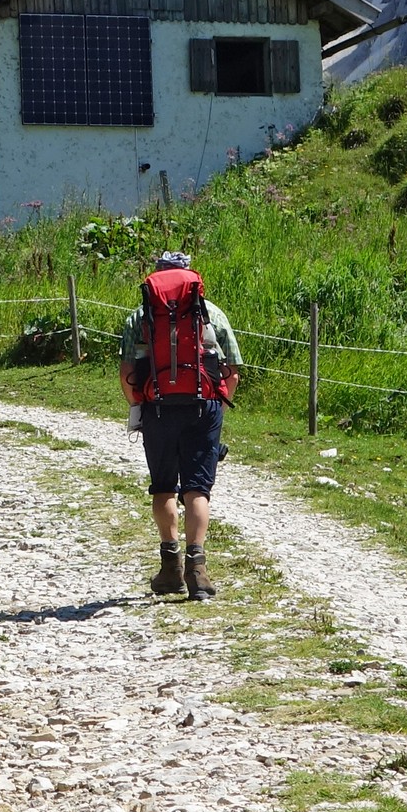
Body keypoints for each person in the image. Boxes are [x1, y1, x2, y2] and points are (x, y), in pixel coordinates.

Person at [119, 249, 241, 599]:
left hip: (156, 408)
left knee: (163, 488)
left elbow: (127, 373)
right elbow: (232, 368)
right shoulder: (210, 313)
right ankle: (198, 572)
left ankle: (170, 567)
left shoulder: (140, 317)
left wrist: (140, 407)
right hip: (204, 408)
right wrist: (217, 405)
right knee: (197, 489)